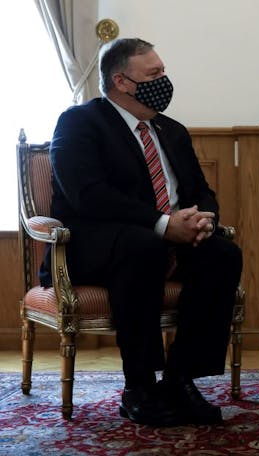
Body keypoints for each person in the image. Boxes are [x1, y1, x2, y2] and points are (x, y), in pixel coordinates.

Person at [45, 38, 243, 427]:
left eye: (163, 71)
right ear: (121, 81)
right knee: (145, 246)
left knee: (222, 254)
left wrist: (204, 220)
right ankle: (139, 385)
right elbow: (88, 195)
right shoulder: (80, 122)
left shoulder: (171, 130)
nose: (163, 80)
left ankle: (180, 379)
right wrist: (163, 224)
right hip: (100, 244)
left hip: (166, 237)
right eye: (154, 75)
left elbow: (199, 190)